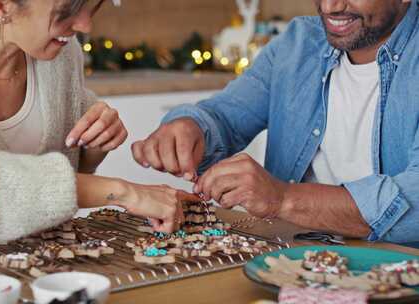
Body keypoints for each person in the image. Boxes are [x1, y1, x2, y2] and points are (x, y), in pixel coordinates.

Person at [0, 0, 195, 249]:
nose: (85, 24)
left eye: (89, 5)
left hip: (35, 271)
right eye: (65, 11)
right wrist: (122, 192)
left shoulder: (61, 54)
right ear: (0, 6)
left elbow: (54, 182)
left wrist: (94, 149)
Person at [132, 0, 419, 245]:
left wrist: (282, 199)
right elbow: (225, 116)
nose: (330, 6)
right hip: (285, 262)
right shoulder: (299, 42)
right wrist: (190, 127)